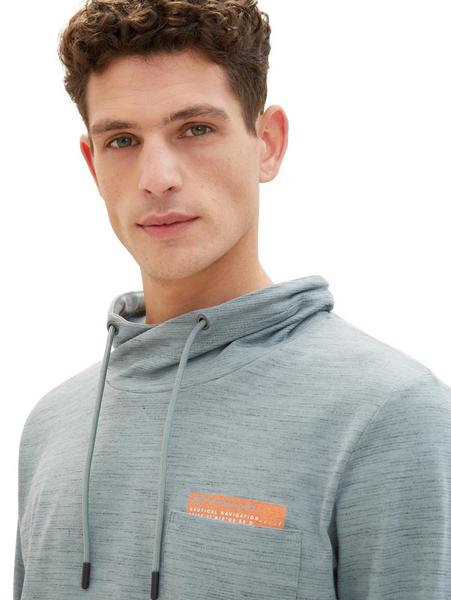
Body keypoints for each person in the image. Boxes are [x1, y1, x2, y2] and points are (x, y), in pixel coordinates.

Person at [14, 0, 451, 599]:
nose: (157, 177)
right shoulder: (53, 425)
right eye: (122, 140)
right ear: (93, 165)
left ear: (268, 143)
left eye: (195, 129)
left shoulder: (390, 415)